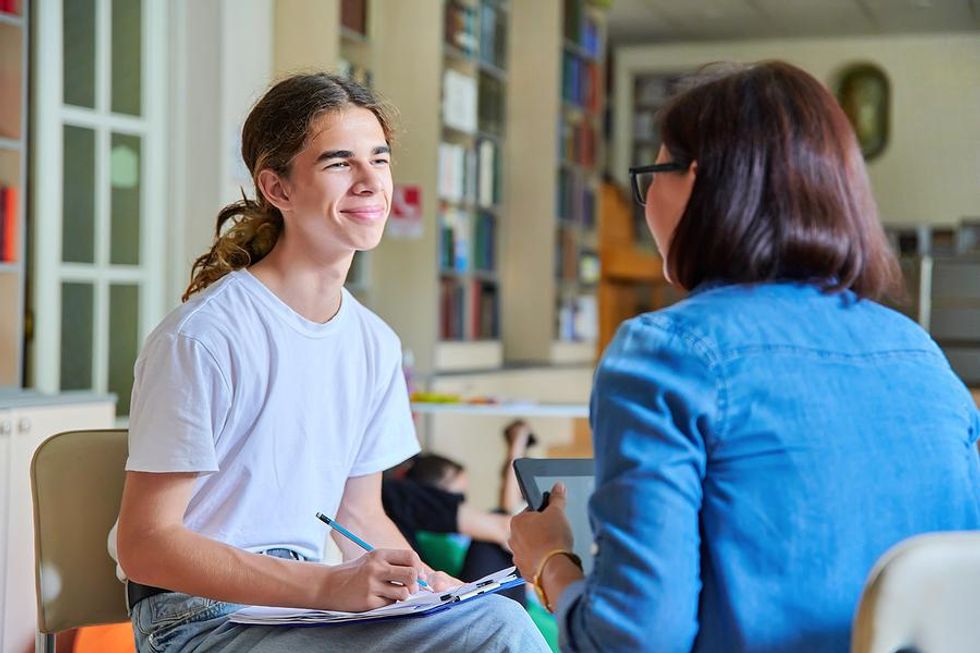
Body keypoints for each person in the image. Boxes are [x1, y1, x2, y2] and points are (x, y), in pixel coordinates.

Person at [508, 61, 980, 653]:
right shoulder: (923, 356)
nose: (647, 197)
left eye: (652, 174)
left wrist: (550, 560)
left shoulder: (663, 354)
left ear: (696, 183)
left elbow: (635, 642)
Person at [111, 72, 549, 653]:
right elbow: (145, 543)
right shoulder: (205, 337)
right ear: (279, 188)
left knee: (494, 618)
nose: (371, 183)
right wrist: (323, 585)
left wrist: (424, 583)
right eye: (340, 163)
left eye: (380, 160)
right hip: (199, 621)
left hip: (302, 611)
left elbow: (359, 514)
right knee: (494, 634)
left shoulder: (373, 343)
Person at [382, 420, 535, 604]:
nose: (461, 503)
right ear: (435, 495)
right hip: (455, 599)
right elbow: (505, 524)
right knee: (500, 529)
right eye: (458, 497)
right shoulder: (415, 512)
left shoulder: (400, 513)